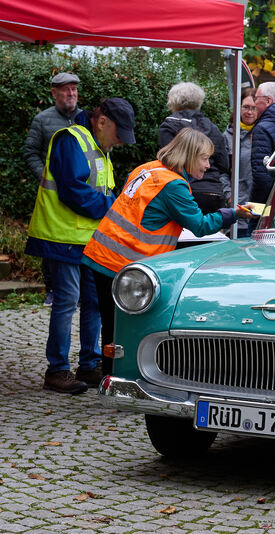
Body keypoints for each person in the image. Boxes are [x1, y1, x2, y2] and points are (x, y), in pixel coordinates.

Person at [83, 128, 255, 376]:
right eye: (204, 158)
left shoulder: (148, 169)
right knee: (126, 326)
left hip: (102, 253)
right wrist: (233, 214)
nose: (208, 165)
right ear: (189, 156)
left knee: (111, 324)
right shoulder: (173, 185)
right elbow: (199, 225)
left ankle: (109, 374)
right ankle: (119, 378)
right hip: (124, 261)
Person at [25, 97, 136, 394]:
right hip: (61, 238)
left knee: (95, 303)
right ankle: (57, 370)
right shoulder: (71, 140)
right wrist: (113, 207)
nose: (121, 143)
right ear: (102, 122)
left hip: (87, 240)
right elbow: (73, 191)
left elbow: (93, 188)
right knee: (66, 302)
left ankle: (89, 365)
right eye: (118, 134)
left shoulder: (97, 144)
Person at [23, 72, 87, 306]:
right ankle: (52, 289)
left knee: (80, 238)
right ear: (54, 93)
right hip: (52, 196)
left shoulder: (86, 118)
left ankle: (78, 290)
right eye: (66, 89)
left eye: (74, 89)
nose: (71, 94)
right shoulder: (42, 120)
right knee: (51, 241)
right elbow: (30, 152)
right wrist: (45, 178)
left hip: (80, 193)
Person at [158, 82, 231, 214]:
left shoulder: (169, 126)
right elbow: (224, 164)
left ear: (173, 102)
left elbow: (169, 162)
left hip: (185, 192)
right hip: (213, 193)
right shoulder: (212, 127)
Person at [223, 89, 259, 236]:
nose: (249, 112)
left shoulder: (263, 134)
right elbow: (221, 171)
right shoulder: (226, 137)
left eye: (254, 108)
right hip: (238, 208)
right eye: (246, 107)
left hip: (260, 209)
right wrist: (229, 195)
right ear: (238, 108)